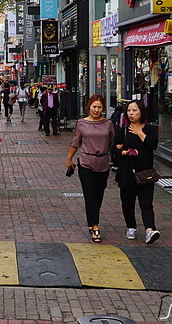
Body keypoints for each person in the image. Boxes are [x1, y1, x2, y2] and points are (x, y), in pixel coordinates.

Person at [112, 100, 161, 245]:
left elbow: (152, 145)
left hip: (145, 172)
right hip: (127, 172)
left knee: (146, 203)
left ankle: (149, 230)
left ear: (141, 112)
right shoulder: (123, 130)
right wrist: (124, 152)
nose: (131, 113)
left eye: (134, 110)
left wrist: (140, 133)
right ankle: (131, 227)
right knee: (127, 202)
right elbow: (114, 149)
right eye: (129, 111)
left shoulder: (150, 129)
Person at [67, 94, 114, 243]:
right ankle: (95, 225)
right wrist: (69, 159)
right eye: (94, 106)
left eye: (99, 107)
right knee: (90, 194)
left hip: (103, 163)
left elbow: (113, 141)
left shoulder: (108, 123)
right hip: (86, 162)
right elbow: (75, 142)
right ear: (89, 107)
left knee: (99, 194)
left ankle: (92, 220)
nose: (96, 110)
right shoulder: (81, 123)